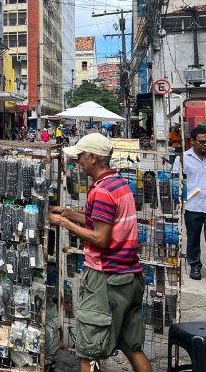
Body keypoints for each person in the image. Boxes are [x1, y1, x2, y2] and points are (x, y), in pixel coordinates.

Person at [49, 134, 151, 372]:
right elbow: (100, 222)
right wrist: (67, 212)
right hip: (129, 277)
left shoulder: (102, 191)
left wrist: (64, 224)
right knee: (132, 347)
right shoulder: (117, 183)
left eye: (80, 157)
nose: (77, 161)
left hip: (107, 278)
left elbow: (100, 238)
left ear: (93, 157)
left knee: (89, 351)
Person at [174, 126, 206, 280]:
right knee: (193, 239)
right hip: (192, 206)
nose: (205, 145)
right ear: (193, 141)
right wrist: (179, 196)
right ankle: (194, 265)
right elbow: (175, 179)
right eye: (201, 142)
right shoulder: (183, 158)